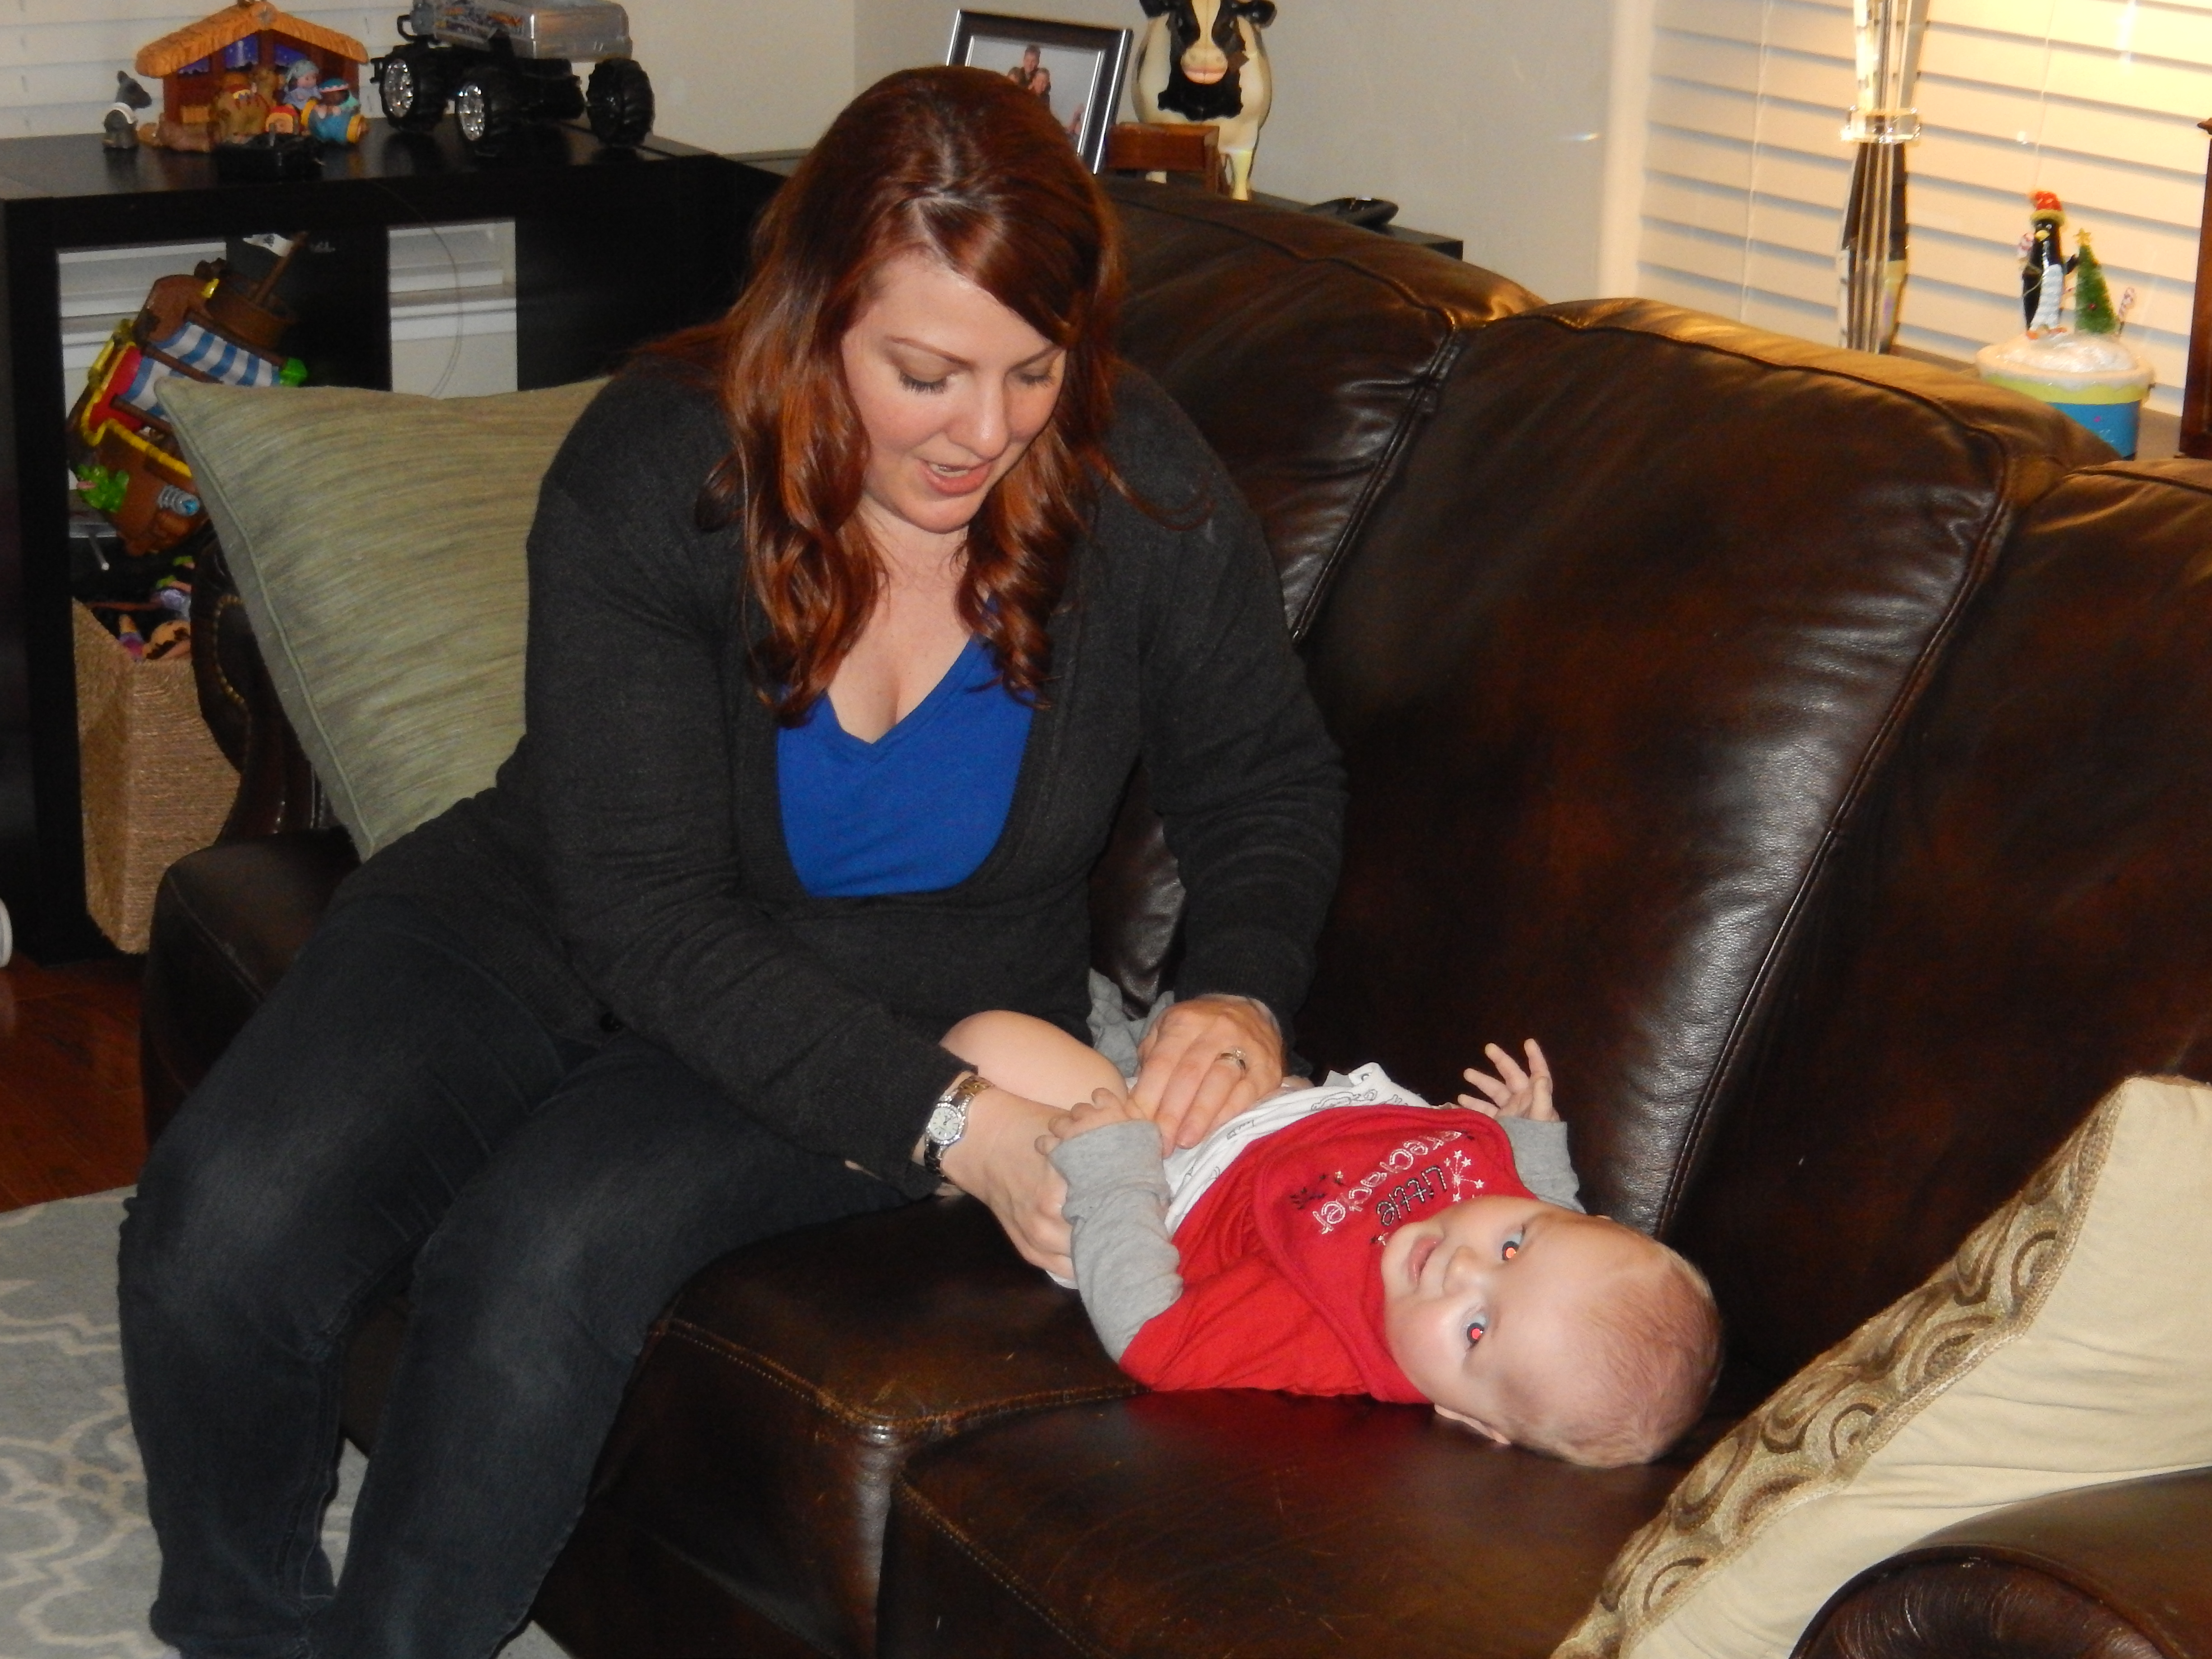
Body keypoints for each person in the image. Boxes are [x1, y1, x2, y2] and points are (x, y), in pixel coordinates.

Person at [117, 64, 1343, 1659]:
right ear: (815, 314)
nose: (986, 432)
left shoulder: (1138, 484)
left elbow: (1262, 777)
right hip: (561, 903)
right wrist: (955, 1128)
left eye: (1033, 370)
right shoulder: (658, 464)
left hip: (895, 994)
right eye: (926, 374)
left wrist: (1237, 991)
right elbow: (641, 909)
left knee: (534, 1256)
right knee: (223, 1223)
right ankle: (245, 1628)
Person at [946, 1016, 1720, 1467]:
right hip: (1272, 1095)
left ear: (1468, 1418)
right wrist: (1532, 1134)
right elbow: (1552, 1210)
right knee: (1109, 1012)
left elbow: (1155, 1340)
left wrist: (1116, 1173)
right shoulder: (1521, 1209)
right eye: (1514, 1248)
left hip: (1168, 1157)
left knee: (990, 1040)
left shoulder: (1332, 1334)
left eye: (1476, 1330)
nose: (1461, 1267)